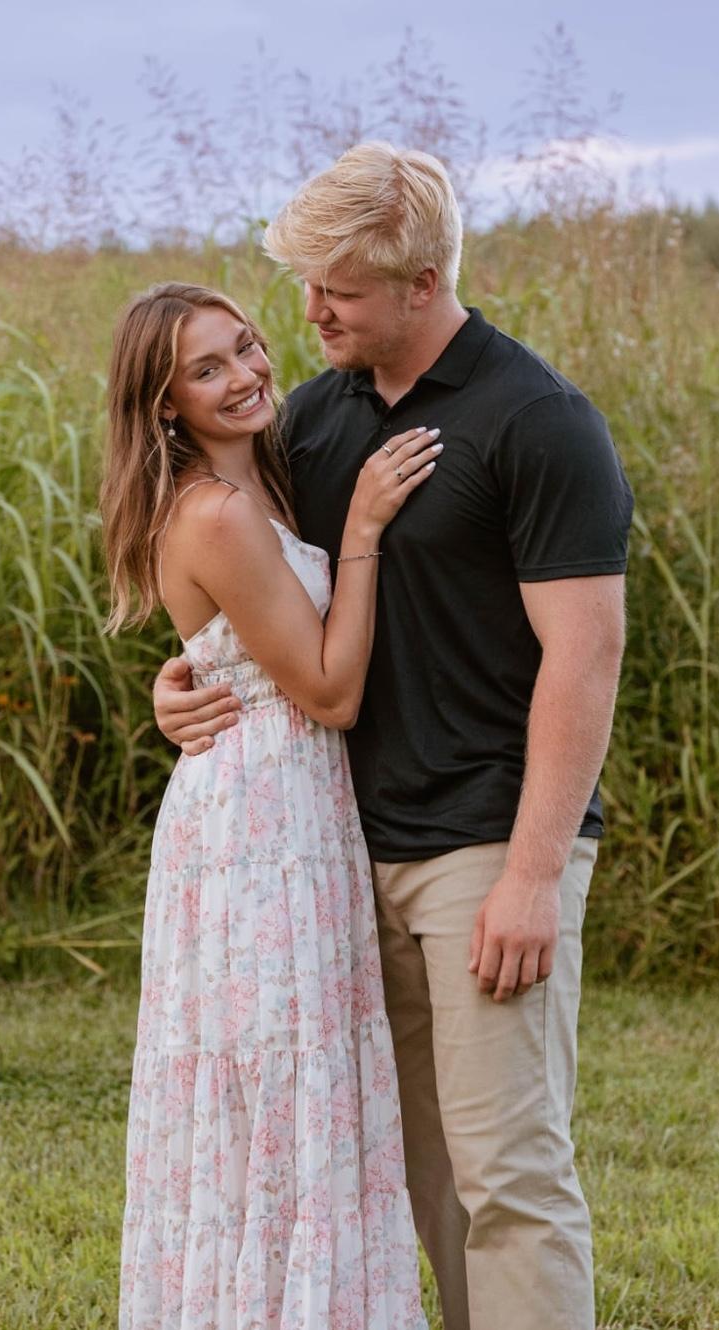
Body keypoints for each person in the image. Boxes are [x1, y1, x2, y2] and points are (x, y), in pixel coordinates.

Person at [152, 144, 634, 1330]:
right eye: (306, 285)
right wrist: (181, 683)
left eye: (339, 291)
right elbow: (261, 593)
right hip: (338, 850)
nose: (308, 312)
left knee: (508, 1174)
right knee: (418, 1175)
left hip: (485, 842)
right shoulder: (314, 421)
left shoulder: (538, 420)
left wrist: (530, 875)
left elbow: (586, 656)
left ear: (422, 281)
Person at [101, 280, 436, 1329]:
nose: (245, 375)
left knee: (282, 1082)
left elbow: (231, 653)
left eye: (245, 347)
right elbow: (329, 690)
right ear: (166, 405)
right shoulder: (220, 512)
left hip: (274, 806)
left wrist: (179, 684)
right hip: (262, 825)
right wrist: (370, 525)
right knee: (279, 1080)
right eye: (207, 369)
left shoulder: (259, 491)